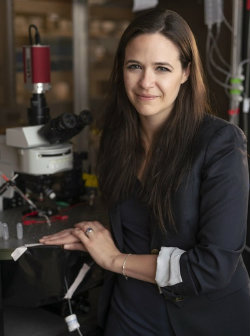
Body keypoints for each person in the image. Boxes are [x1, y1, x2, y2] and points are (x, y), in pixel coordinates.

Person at [40, 8, 250, 336]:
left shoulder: (220, 143)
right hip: (130, 309)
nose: (145, 83)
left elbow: (213, 268)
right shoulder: (113, 138)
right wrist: (93, 236)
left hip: (204, 317)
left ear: (185, 72)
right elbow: (136, 222)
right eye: (134, 66)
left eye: (162, 68)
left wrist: (114, 259)